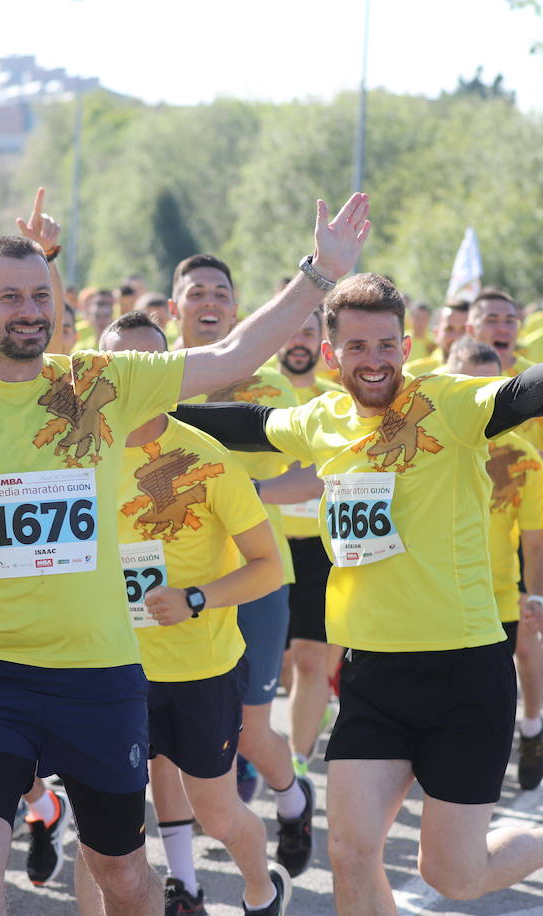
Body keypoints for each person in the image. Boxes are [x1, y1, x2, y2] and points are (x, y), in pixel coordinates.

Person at [0, 165, 370, 915]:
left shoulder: (96, 383)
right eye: (9, 297)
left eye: (41, 296)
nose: (29, 311)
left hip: (98, 673)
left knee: (122, 873)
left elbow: (228, 357)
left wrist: (319, 275)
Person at [175, 272, 543, 915]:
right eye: (357, 347)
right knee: (351, 857)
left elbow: (522, 395)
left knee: (453, 873)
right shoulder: (322, 419)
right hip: (373, 675)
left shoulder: (448, 402)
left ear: (406, 345)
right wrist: (152, 407)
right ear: (331, 355)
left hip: (463, 672)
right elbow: (249, 423)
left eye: (386, 344)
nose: (374, 360)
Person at [79, 310, 291, 915]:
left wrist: (196, 598)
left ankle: (260, 887)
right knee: (99, 828)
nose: (138, 376)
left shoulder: (208, 456)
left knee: (218, 813)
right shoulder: (81, 453)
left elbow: (266, 567)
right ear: (104, 370)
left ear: (173, 372)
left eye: (153, 363)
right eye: (124, 364)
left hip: (200, 668)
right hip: (112, 667)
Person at [167, 253, 314, 879]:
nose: (208, 300)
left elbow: (315, 473)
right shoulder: (152, 378)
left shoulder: (270, 388)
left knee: (253, 736)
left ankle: (292, 798)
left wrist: (240, 496)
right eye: (195, 290)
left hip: (251, 579)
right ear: (174, 307)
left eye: (220, 293)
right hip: (164, 583)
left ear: (234, 308)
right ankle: (183, 879)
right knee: (161, 743)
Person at [448, 339, 543, 790]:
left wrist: (538, 597)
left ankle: (531, 729)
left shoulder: (523, 458)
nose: (479, 399)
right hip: (434, 595)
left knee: (498, 690)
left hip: (496, 596)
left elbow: (537, 543)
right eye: (468, 386)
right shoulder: (421, 443)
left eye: (490, 388)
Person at [273, 310, 344, 775]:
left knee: (310, 659)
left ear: (322, 343)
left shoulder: (338, 403)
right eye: (290, 331)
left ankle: (297, 767)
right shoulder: (255, 392)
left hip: (322, 549)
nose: (298, 341)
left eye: (308, 333)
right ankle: (309, 707)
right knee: (277, 667)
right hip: (263, 544)